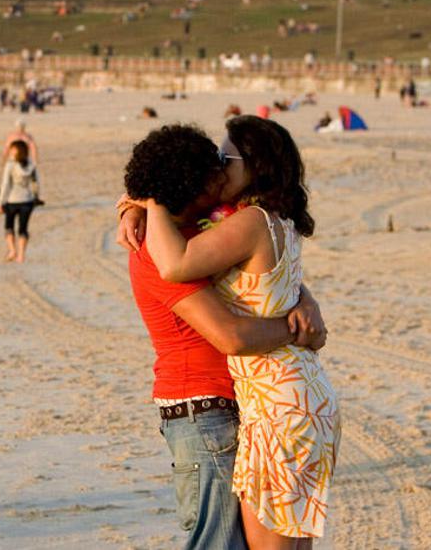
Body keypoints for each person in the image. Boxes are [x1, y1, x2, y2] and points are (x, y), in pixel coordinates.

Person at [119, 118, 339, 548]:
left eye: (224, 159)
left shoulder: (220, 228)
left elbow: (263, 276)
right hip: (206, 410)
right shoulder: (158, 246)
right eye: (213, 164)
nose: (218, 171)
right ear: (192, 184)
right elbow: (230, 335)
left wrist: (303, 300)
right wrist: (297, 327)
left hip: (263, 404)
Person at [0, 140, 39, 263]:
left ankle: (12, 251)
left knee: (9, 227)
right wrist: (36, 196)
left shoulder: (10, 165)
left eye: (12, 150)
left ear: (17, 151)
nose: (10, 152)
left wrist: (0, 201)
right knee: (23, 229)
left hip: (12, 200)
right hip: (27, 200)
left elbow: (5, 184)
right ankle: (21, 256)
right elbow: (36, 183)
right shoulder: (31, 165)